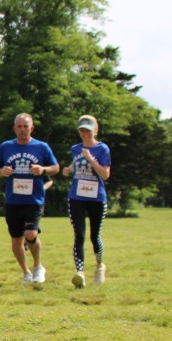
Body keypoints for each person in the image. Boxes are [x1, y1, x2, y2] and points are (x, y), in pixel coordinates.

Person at [0, 113, 59, 286]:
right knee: (16, 240)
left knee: (30, 234)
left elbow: (56, 167)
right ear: (14, 128)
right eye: (19, 126)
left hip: (34, 200)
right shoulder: (5, 147)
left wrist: (43, 170)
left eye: (26, 126)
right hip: (13, 200)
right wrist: (1, 172)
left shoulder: (42, 147)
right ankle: (26, 272)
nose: (22, 130)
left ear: (32, 128)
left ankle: (38, 266)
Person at [61, 115, 111, 287]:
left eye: (88, 130)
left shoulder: (102, 149)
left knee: (94, 236)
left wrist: (91, 159)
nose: (85, 134)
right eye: (82, 130)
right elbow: (76, 163)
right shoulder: (75, 149)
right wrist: (68, 169)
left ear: (95, 130)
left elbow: (105, 174)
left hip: (97, 198)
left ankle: (99, 266)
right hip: (77, 197)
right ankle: (80, 272)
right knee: (79, 235)